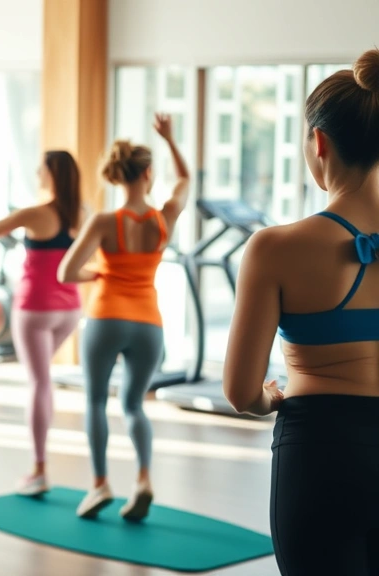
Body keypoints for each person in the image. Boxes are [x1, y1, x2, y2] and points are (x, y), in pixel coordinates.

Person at [223, 49, 379, 576]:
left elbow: (241, 392)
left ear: (319, 142)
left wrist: (268, 398)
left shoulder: (275, 247)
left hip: (322, 451)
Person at [58, 114, 189, 521]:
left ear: (118, 176)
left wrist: (97, 271)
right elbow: (185, 182)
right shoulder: (163, 218)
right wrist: (168, 139)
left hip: (106, 318)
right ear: (148, 173)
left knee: (96, 400)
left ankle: (99, 485)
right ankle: (144, 480)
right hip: (149, 323)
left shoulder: (103, 222)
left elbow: (66, 272)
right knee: (134, 405)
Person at [0, 150, 84, 496]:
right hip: (69, 310)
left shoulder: (35, 213)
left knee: (39, 383)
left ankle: (38, 470)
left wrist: (12, 220)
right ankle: (38, 466)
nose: (38, 172)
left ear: (52, 174)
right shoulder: (82, 214)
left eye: (42, 168)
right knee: (44, 380)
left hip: (35, 309)